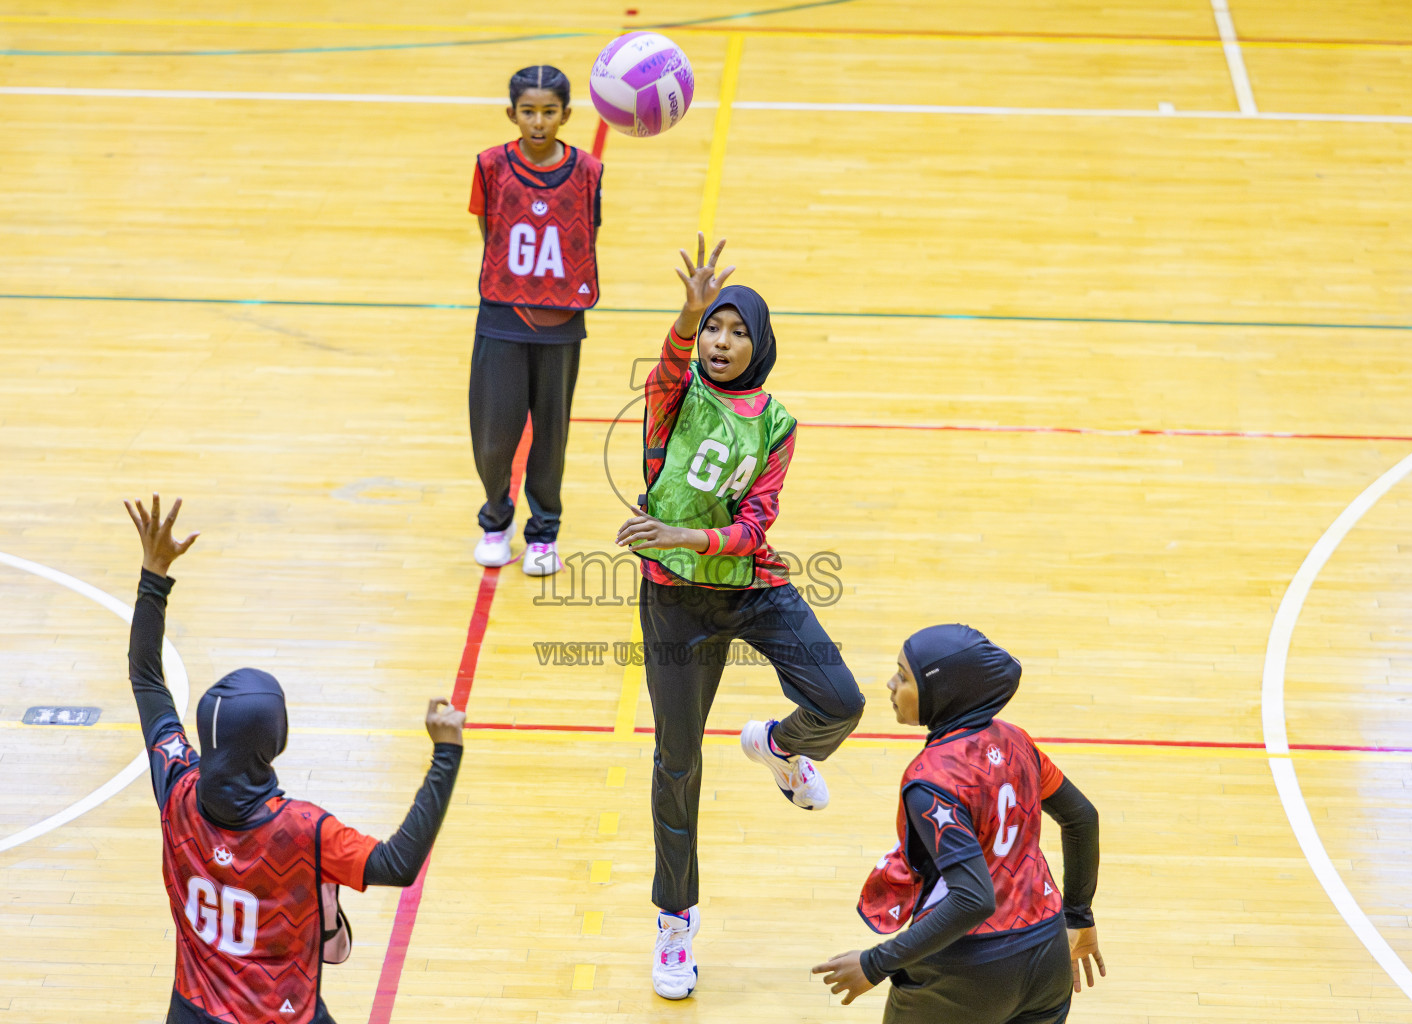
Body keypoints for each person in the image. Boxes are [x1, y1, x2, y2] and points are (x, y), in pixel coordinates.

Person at [615, 236, 866, 1000]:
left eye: (736, 331)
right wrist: (686, 313)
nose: (721, 343)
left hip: (749, 585)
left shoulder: (777, 424)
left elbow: (756, 524)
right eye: (713, 329)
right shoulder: (673, 396)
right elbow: (668, 362)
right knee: (677, 765)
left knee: (842, 700)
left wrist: (691, 534)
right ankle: (675, 922)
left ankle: (779, 748)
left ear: (761, 346)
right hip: (675, 602)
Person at [121, 494, 465, 1024]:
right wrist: (446, 755)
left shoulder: (177, 786)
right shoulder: (304, 831)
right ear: (274, 741)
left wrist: (154, 574)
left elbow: (147, 676)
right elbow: (399, 863)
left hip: (191, 1012)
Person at [813, 624, 1105, 1023]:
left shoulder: (931, 779)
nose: (890, 683)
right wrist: (1079, 916)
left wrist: (875, 964)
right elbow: (1082, 818)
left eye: (903, 675)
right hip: (1047, 952)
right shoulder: (1018, 742)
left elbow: (973, 899)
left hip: (965, 968)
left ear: (941, 691)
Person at [468, 64, 603, 576]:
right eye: (529, 111)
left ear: (566, 115)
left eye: (549, 112)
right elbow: (489, 228)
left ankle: (544, 534)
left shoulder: (588, 170)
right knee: (493, 434)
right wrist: (515, 285)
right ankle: (495, 521)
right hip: (501, 316)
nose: (539, 121)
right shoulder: (490, 166)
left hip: (560, 322)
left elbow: (585, 234)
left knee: (550, 433)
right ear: (512, 114)